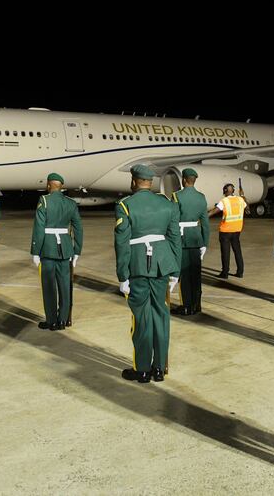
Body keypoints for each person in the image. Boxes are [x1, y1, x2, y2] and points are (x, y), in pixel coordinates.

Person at [115, 164, 181, 383]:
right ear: (150, 182)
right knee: (161, 316)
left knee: (142, 317)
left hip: (138, 267)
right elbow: (174, 239)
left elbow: (122, 243)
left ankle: (142, 369)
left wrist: (122, 275)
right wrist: (175, 271)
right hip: (162, 265)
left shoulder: (125, 205)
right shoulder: (166, 204)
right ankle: (160, 369)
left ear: (134, 181)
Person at [31, 173, 83, 331]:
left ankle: (52, 320)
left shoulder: (44, 201)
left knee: (49, 286)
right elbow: (78, 228)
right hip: (65, 249)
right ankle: (63, 320)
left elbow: (39, 228)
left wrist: (35, 251)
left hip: (48, 248)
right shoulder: (70, 203)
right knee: (65, 286)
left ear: (48, 185)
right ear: (61, 186)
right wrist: (77, 251)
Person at [170, 168, 209, 315]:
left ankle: (186, 306)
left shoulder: (176, 196)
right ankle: (197, 305)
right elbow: (205, 222)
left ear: (184, 180)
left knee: (184, 275)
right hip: (196, 238)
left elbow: (173, 221)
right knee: (196, 274)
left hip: (182, 239)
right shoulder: (201, 197)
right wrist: (205, 243)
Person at [207, 182, 248, 278]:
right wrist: (242, 195)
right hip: (237, 230)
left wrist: (203, 218)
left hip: (225, 231)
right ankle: (240, 272)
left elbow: (214, 211)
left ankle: (225, 273)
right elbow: (248, 209)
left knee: (225, 252)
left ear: (225, 191)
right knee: (237, 250)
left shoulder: (224, 201)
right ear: (233, 191)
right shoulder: (240, 199)